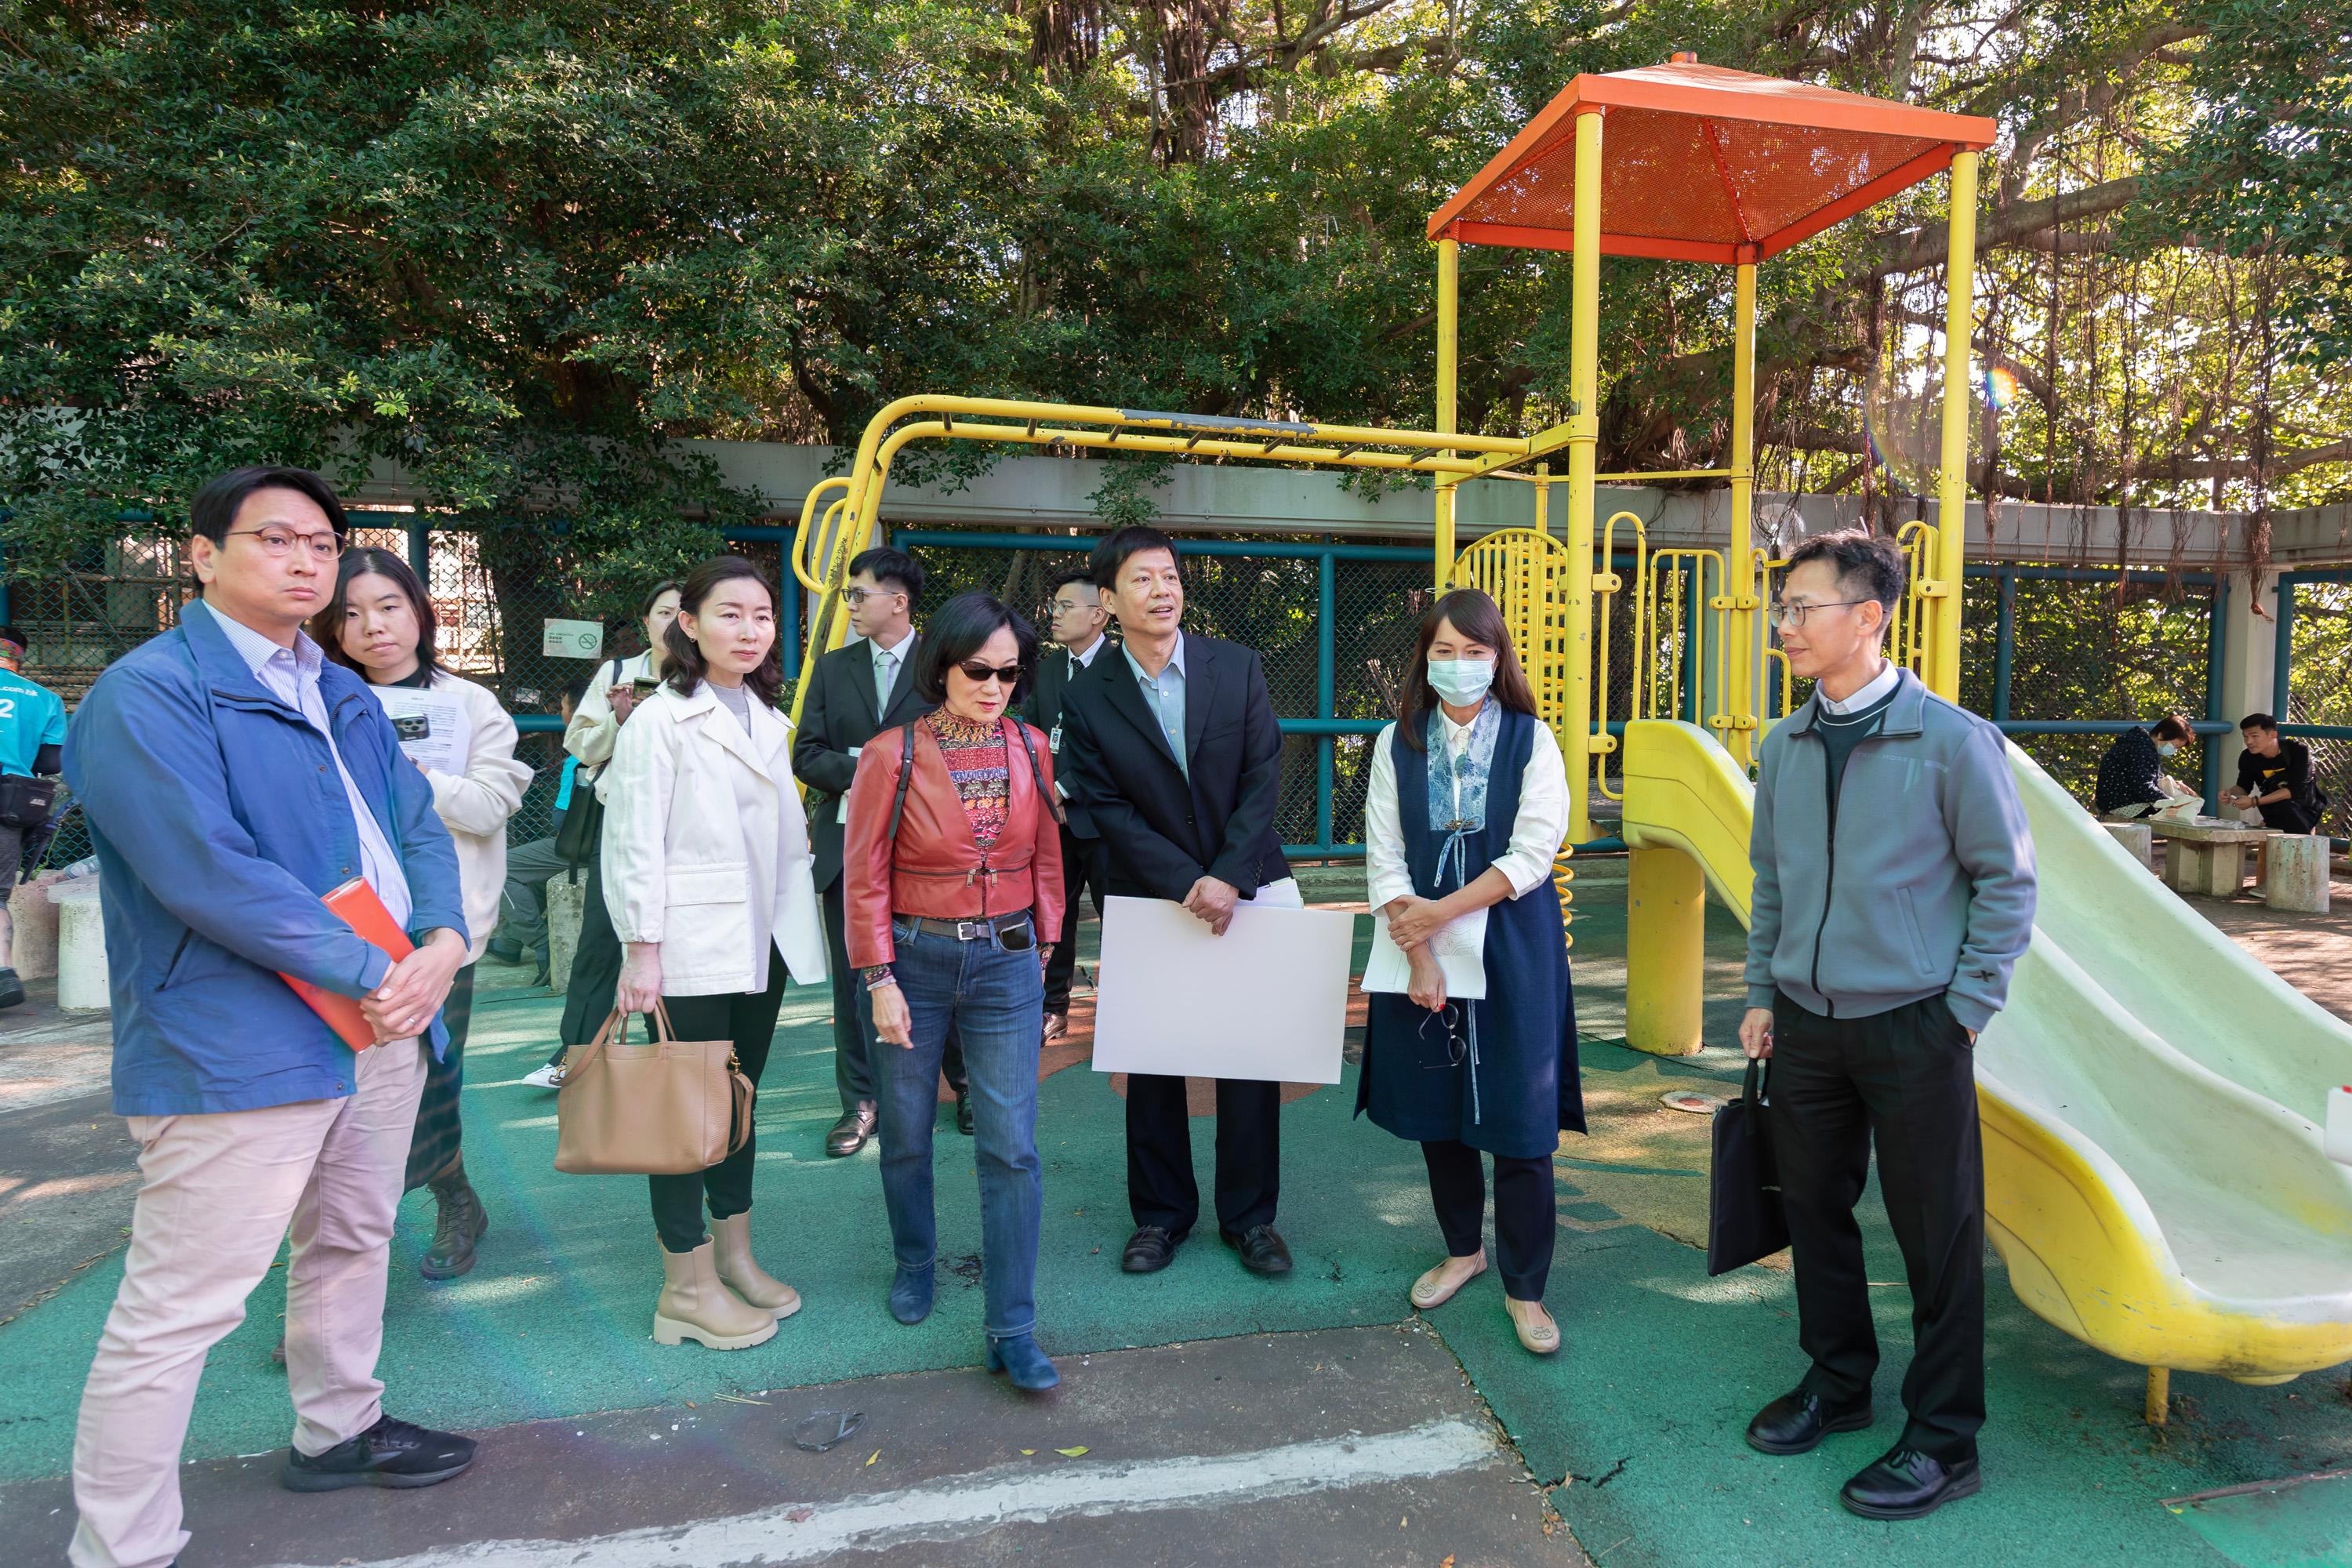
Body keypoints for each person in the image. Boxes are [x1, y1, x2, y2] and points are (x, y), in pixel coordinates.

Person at [62, 466, 476, 1568]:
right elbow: (205, 870)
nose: (308, 563)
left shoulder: (339, 688)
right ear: (203, 556)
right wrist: (374, 967)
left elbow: (417, 826)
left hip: (382, 1016)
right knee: (182, 1307)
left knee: (354, 1235)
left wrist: (439, 940)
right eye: (277, 541)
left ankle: (338, 1430)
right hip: (240, 1036)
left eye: (323, 545)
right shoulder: (147, 694)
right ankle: (123, 1546)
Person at [1739, 528, 2035, 1522]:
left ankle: (1946, 1439)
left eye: (1800, 608)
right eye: (1781, 607)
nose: (1783, 625)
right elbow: (1771, 884)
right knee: (1814, 1211)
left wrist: (1964, 1011)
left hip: (1917, 1026)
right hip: (1806, 1024)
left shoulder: (1951, 741)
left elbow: (2006, 881)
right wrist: (1758, 991)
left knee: (1936, 1236)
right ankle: (1840, 1382)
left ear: (1868, 616)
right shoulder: (1781, 747)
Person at [1058, 524, 1297, 1278]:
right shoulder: (1087, 696)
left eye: (1169, 576)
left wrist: (1226, 874)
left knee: (1249, 1056)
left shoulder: (1237, 666)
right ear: (1108, 600)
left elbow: (1264, 773)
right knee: (1152, 1060)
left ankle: (1252, 1219)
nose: (1161, 591)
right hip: (1148, 894)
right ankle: (1161, 1217)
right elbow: (1101, 805)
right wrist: (1187, 881)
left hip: (1246, 884)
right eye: (1141, 579)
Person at [842, 592, 1065, 1389]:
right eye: (979, 668)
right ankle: (914, 1260)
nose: (995, 683)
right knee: (906, 1132)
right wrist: (878, 977)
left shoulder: (1033, 747)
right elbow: (862, 873)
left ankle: (1013, 1325)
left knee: (1012, 1147)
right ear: (943, 666)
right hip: (914, 961)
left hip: (1006, 962)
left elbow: (1045, 858)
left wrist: (1044, 953)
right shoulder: (890, 753)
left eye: (1010, 671)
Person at [604, 554, 827, 1351]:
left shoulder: (764, 715)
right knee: (685, 1116)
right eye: (729, 613)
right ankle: (684, 1287)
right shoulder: (662, 719)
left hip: (757, 938)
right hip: (688, 945)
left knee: (739, 1100)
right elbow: (632, 839)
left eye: (763, 614)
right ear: (688, 624)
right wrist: (642, 948)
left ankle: (734, 1253)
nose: (750, 628)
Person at [1357, 589, 1580, 1357]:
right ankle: (1464, 1247)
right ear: (1426, 657)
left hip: (1512, 939)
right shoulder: (1398, 740)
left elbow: (1532, 851)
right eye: (1444, 651)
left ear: (1499, 657)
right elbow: (1383, 851)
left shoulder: (1532, 739)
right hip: (1420, 934)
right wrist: (1417, 948)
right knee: (1438, 1108)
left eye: (1475, 651)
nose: (1458, 666)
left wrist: (1438, 914)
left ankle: (1526, 1286)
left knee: (1522, 1122)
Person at [316, 549, 531, 1280]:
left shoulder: (470, 706)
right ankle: (346, 1251)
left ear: (420, 612)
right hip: (341, 930)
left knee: (432, 1071)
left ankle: (450, 1200)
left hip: (441, 934)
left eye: (388, 606)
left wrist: (413, 779)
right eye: (350, 612)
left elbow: (491, 804)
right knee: (339, 1084)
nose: (372, 625)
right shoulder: (314, 698)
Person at [793, 545, 971, 1153]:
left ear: (898, 600)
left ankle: (965, 1084)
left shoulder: (944, 665)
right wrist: (871, 770)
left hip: (931, 846)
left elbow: (964, 745)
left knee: (944, 968)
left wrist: (900, 775)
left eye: (857, 594)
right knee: (856, 977)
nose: (850, 606)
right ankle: (860, 1103)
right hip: (848, 844)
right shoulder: (833, 667)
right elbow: (806, 754)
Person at [522, 581, 681, 1088]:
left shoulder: (708, 674)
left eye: (684, 612)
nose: (673, 622)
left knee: (679, 945)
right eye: (663, 612)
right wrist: (618, 719)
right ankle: (575, 1053)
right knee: (600, 940)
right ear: (646, 621)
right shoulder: (618, 673)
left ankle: (675, 1060)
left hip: (688, 826)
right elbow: (580, 746)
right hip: (623, 825)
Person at [1025, 566, 1113, 1040]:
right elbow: (1035, 733)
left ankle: (1125, 1007)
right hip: (1051, 816)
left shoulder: (1122, 668)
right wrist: (1045, 790)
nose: (1054, 615)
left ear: (1099, 614)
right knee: (1052, 913)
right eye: (1054, 606)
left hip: (1103, 818)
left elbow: (1120, 747)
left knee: (1117, 915)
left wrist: (1067, 787)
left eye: (1065, 606)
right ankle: (1053, 1007)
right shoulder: (1049, 668)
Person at [488, 681, 589, 985]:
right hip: (601, 843)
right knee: (532, 871)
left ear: (576, 711)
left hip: (582, 848)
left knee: (502, 868)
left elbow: (563, 820)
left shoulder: (582, 752)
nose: (559, 713)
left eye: (561, 707)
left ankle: (543, 946)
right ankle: (508, 944)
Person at [0, 622, 67, 1010]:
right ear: (19, 657)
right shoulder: (45, 699)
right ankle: (4, 973)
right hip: (9, 799)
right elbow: (50, 761)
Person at [2222, 713, 2322, 834]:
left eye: (2254, 736)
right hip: (2273, 808)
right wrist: (2231, 793)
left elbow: (2296, 790)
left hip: (2303, 807)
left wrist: (2255, 802)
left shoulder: (2298, 751)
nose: (2249, 741)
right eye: (2245, 737)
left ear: (2273, 735)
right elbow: (2243, 786)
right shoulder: (2247, 756)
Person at [2093, 713, 2195, 818]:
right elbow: (2143, 786)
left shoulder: (2141, 745)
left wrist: (2176, 784)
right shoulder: (2141, 749)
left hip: (2118, 801)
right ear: (2161, 735)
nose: (2174, 750)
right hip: (2123, 804)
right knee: (2174, 818)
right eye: (2174, 745)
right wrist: (2170, 802)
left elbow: (2149, 778)